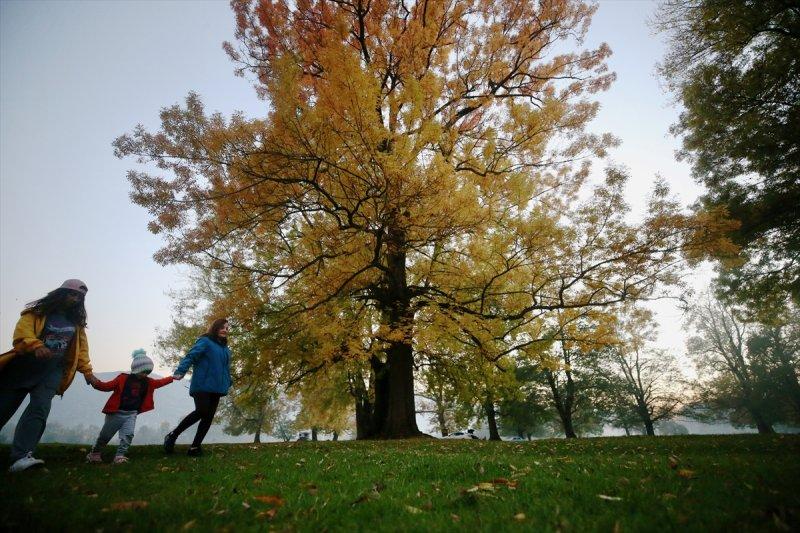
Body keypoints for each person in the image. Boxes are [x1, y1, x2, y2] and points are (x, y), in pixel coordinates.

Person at [0, 279, 98, 472]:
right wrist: (36, 345)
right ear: (60, 294)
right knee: (3, 408)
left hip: (52, 372)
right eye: (72, 294)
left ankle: (21, 457)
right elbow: (22, 334)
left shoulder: (76, 324)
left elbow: (81, 350)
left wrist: (87, 372)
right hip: (22, 368)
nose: (75, 299)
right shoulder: (35, 314)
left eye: (80, 297)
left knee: (40, 409)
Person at [86, 349, 174, 464]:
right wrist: (94, 381)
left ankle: (120, 456)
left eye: (147, 372)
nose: (145, 374)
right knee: (105, 435)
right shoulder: (122, 378)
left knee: (128, 435)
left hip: (131, 414)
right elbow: (106, 386)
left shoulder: (148, 382)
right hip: (116, 413)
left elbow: (160, 383)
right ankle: (94, 454)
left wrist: (172, 378)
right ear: (136, 369)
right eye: (143, 371)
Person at [164, 318, 232, 456]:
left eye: (227, 328)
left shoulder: (226, 349)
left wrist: (228, 381)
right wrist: (180, 371)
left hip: (217, 387)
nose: (225, 330)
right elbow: (191, 356)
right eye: (222, 327)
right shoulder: (205, 341)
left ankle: (195, 447)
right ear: (215, 328)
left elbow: (225, 368)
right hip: (202, 384)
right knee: (201, 411)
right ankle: (172, 435)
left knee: (208, 417)